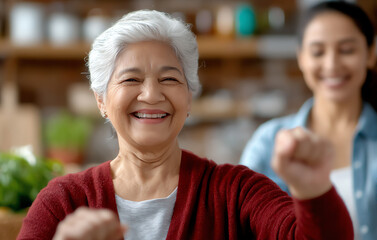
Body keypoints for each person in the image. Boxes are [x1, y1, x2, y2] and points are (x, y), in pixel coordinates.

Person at [17, 9, 353, 240]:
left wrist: (313, 191)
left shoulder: (235, 192)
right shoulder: (63, 201)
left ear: (189, 98)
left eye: (169, 78)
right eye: (131, 79)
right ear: (101, 101)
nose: (151, 94)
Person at [240, 1, 377, 240]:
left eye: (347, 50)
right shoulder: (269, 141)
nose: (332, 64)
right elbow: (238, 223)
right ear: (301, 58)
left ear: (370, 54)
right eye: (318, 52)